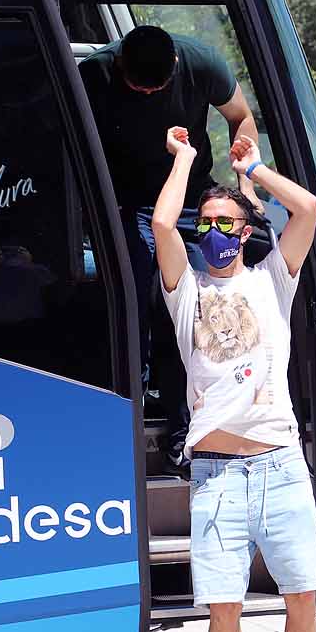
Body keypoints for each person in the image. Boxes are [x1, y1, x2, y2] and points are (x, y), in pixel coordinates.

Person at [151, 125, 316, 632]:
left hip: (280, 465)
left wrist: (252, 172)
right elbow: (164, 226)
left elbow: (306, 209)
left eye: (227, 224)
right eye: (209, 222)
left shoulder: (272, 280)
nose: (215, 233)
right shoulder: (187, 292)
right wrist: (187, 160)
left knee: (301, 595)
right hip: (218, 474)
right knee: (222, 606)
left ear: (247, 232)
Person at [79, 25, 259, 467]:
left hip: (190, 200)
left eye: (153, 89)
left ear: (175, 66)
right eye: (136, 87)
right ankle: (124, 433)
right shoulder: (94, 74)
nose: (144, 95)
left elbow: (241, 115)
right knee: (136, 309)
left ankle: (189, 436)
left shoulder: (201, 62)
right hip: (127, 204)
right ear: (120, 65)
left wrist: (247, 182)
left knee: (195, 314)